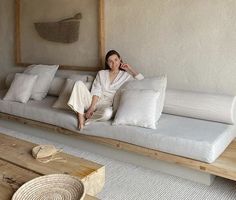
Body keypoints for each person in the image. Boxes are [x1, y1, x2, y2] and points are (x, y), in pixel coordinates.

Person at [67, 50, 144, 130]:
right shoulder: (101, 73)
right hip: (93, 102)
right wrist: (92, 107)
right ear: (107, 63)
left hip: (107, 105)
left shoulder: (126, 76)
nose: (114, 63)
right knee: (78, 83)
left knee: (107, 113)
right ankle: (80, 116)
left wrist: (130, 69)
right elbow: (96, 90)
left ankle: (89, 117)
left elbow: (142, 81)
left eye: (116, 60)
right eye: (110, 61)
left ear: (120, 59)